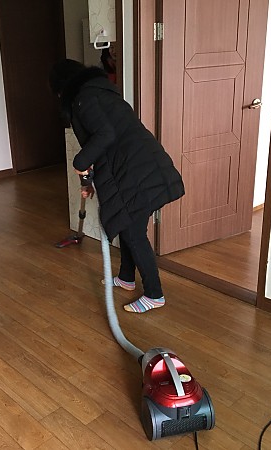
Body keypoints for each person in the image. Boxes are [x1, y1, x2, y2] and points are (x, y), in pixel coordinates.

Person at [49, 59, 184, 313]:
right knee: (126, 223)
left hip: (137, 170)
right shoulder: (99, 92)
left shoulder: (84, 99)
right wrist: (87, 180)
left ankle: (154, 294)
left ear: (62, 88)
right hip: (138, 165)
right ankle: (126, 278)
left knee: (133, 233)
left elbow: (105, 136)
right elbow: (101, 144)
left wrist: (79, 162)